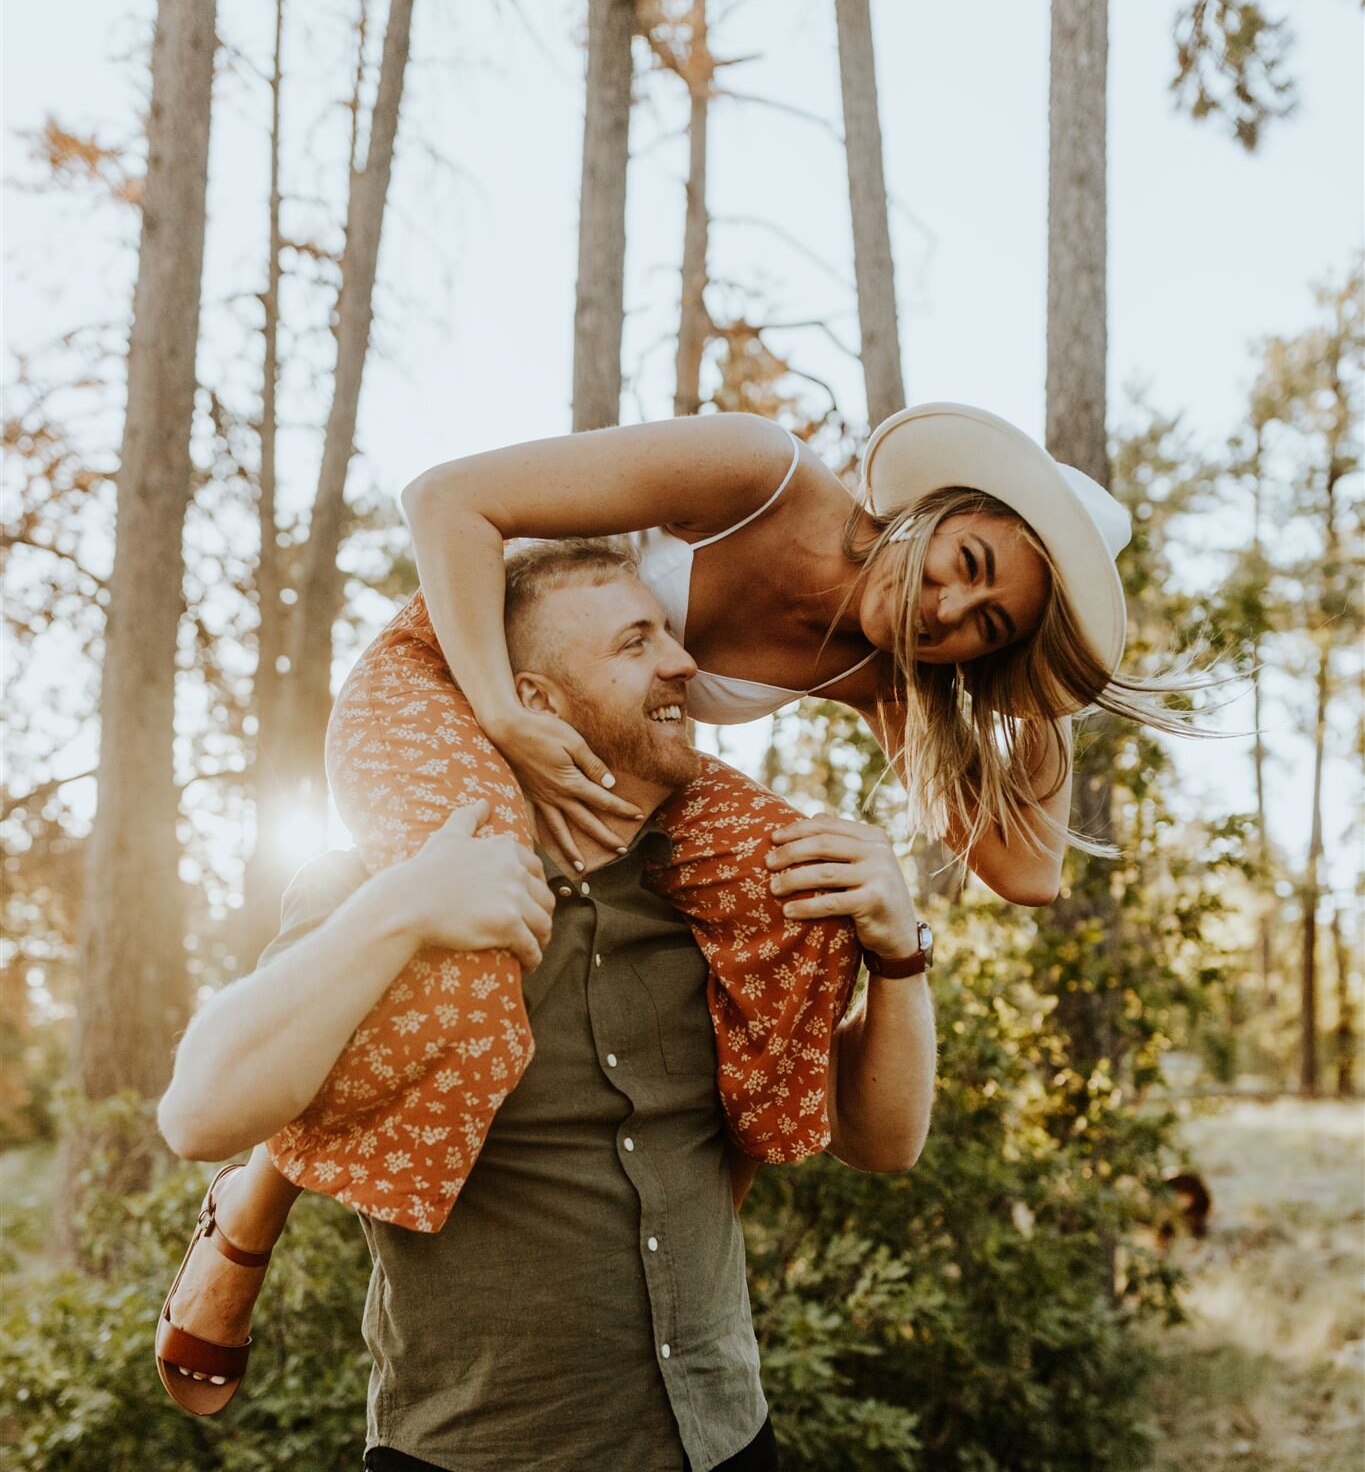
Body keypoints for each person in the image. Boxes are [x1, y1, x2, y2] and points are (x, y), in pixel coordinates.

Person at [158, 548, 936, 1472]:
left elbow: (883, 1146)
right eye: (637, 642)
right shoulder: (392, 876)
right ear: (531, 696)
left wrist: (901, 956)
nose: (681, 665)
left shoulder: (730, 891)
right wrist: (405, 909)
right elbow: (199, 1103)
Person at [156, 399, 1140, 1407]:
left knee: (797, 897)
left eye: (987, 625)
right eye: (967, 563)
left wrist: (1042, 687)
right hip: (458, 674)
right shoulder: (757, 471)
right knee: (483, 914)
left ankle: (682, 1268)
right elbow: (447, 499)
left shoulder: (885, 676)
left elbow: (1029, 872)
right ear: (940, 508)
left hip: (602, 734)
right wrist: (502, 710)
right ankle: (255, 1199)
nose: (945, 611)